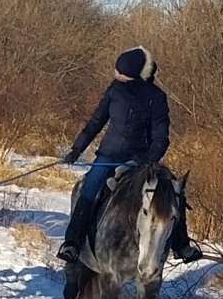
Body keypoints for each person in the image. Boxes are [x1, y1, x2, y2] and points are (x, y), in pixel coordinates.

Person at [59, 46, 204, 262]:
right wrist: (77, 148)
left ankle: (182, 245)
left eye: (121, 72)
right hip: (108, 156)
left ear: (136, 74)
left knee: (173, 189)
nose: (116, 75)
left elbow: (161, 137)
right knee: (89, 187)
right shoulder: (115, 89)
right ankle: (72, 243)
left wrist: (145, 159)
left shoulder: (157, 98)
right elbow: (96, 121)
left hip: (142, 160)